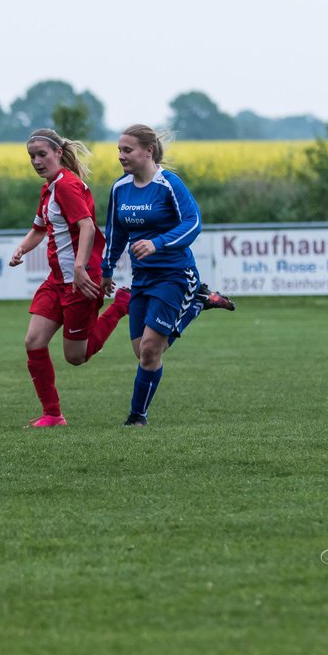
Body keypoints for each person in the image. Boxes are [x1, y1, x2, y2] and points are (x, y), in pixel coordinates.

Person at [100, 124, 234, 427]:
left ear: (148, 151)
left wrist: (157, 242)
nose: (121, 156)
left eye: (127, 150)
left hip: (175, 275)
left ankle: (137, 417)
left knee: (149, 349)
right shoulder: (120, 188)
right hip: (142, 280)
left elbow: (193, 223)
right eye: (119, 150)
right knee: (143, 352)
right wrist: (106, 270)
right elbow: (115, 232)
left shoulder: (169, 184)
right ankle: (199, 302)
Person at [10, 127, 131, 428]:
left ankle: (122, 304)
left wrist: (79, 269)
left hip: (81, 279)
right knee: (34, 341)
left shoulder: (66, 186)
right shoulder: (49, 188)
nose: (36, 161)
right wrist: (22, 249)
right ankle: (52, 415)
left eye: (42, 154)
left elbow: (88, 227)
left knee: (76, 357)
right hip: (56, 281)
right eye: (32, 156)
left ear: (58, 153)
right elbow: (39, 228)